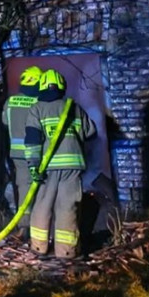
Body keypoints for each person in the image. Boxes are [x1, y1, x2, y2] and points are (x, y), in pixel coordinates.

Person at [23, 68, 96, 259]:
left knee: (42, 205)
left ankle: (39, 247)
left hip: (46, 168)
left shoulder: (37, 109)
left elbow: (32, 140)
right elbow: (91, 133)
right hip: (72, 166)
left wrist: (33, 165)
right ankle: (66, 251)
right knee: (67, 207)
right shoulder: (74, 107)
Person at [2, 66, 42, 235]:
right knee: (40, 187)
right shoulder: (39, 103)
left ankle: (24, 226)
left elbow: (5, 122)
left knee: (23, 187)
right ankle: (38, 226)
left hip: (17, 154)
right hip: (36, 153)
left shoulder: (10, 102)